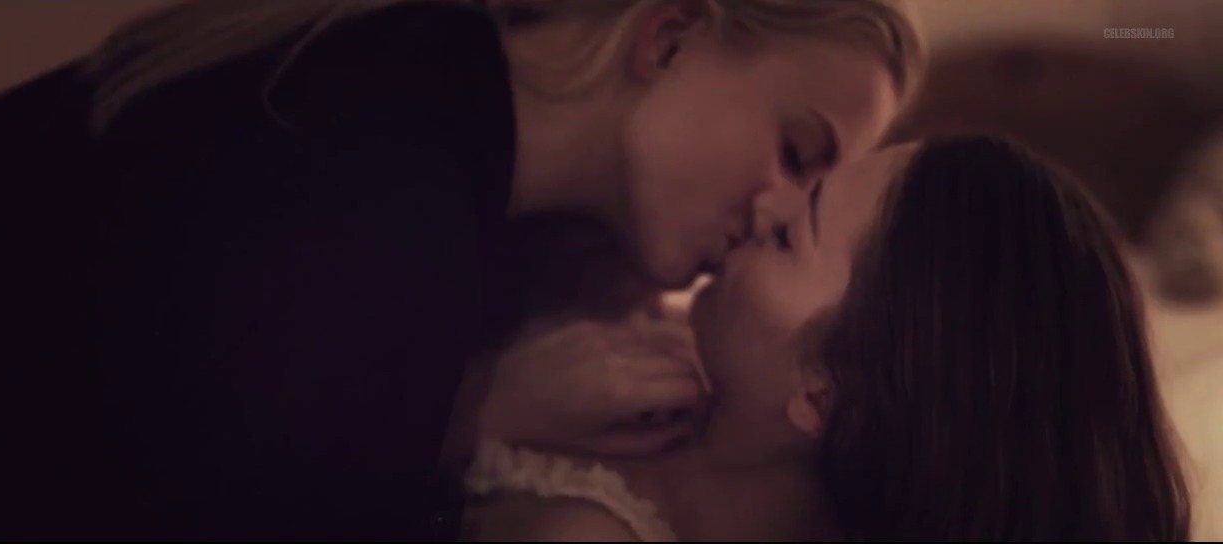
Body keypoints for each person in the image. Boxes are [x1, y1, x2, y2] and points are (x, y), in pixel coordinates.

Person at [0, 0, 922, 539]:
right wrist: (472, 415)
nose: (780, 213)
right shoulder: (369, 177)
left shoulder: (428, 107)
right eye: (797, 153)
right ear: (666, 37)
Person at [463, 137, 1194, 541]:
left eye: (789, 236)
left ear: (823, 393)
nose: (763, 203)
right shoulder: (652, 354)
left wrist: (480, 412)